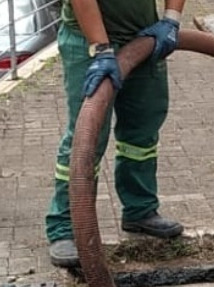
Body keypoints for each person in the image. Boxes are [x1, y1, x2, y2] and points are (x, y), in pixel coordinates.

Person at [46, 0, 187, 268]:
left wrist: (171, 19)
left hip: (145, 36)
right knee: (87, 136)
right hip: (87, 41)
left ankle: (140, 210)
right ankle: (64, 227)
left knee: (142, 129)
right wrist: (101, 48)